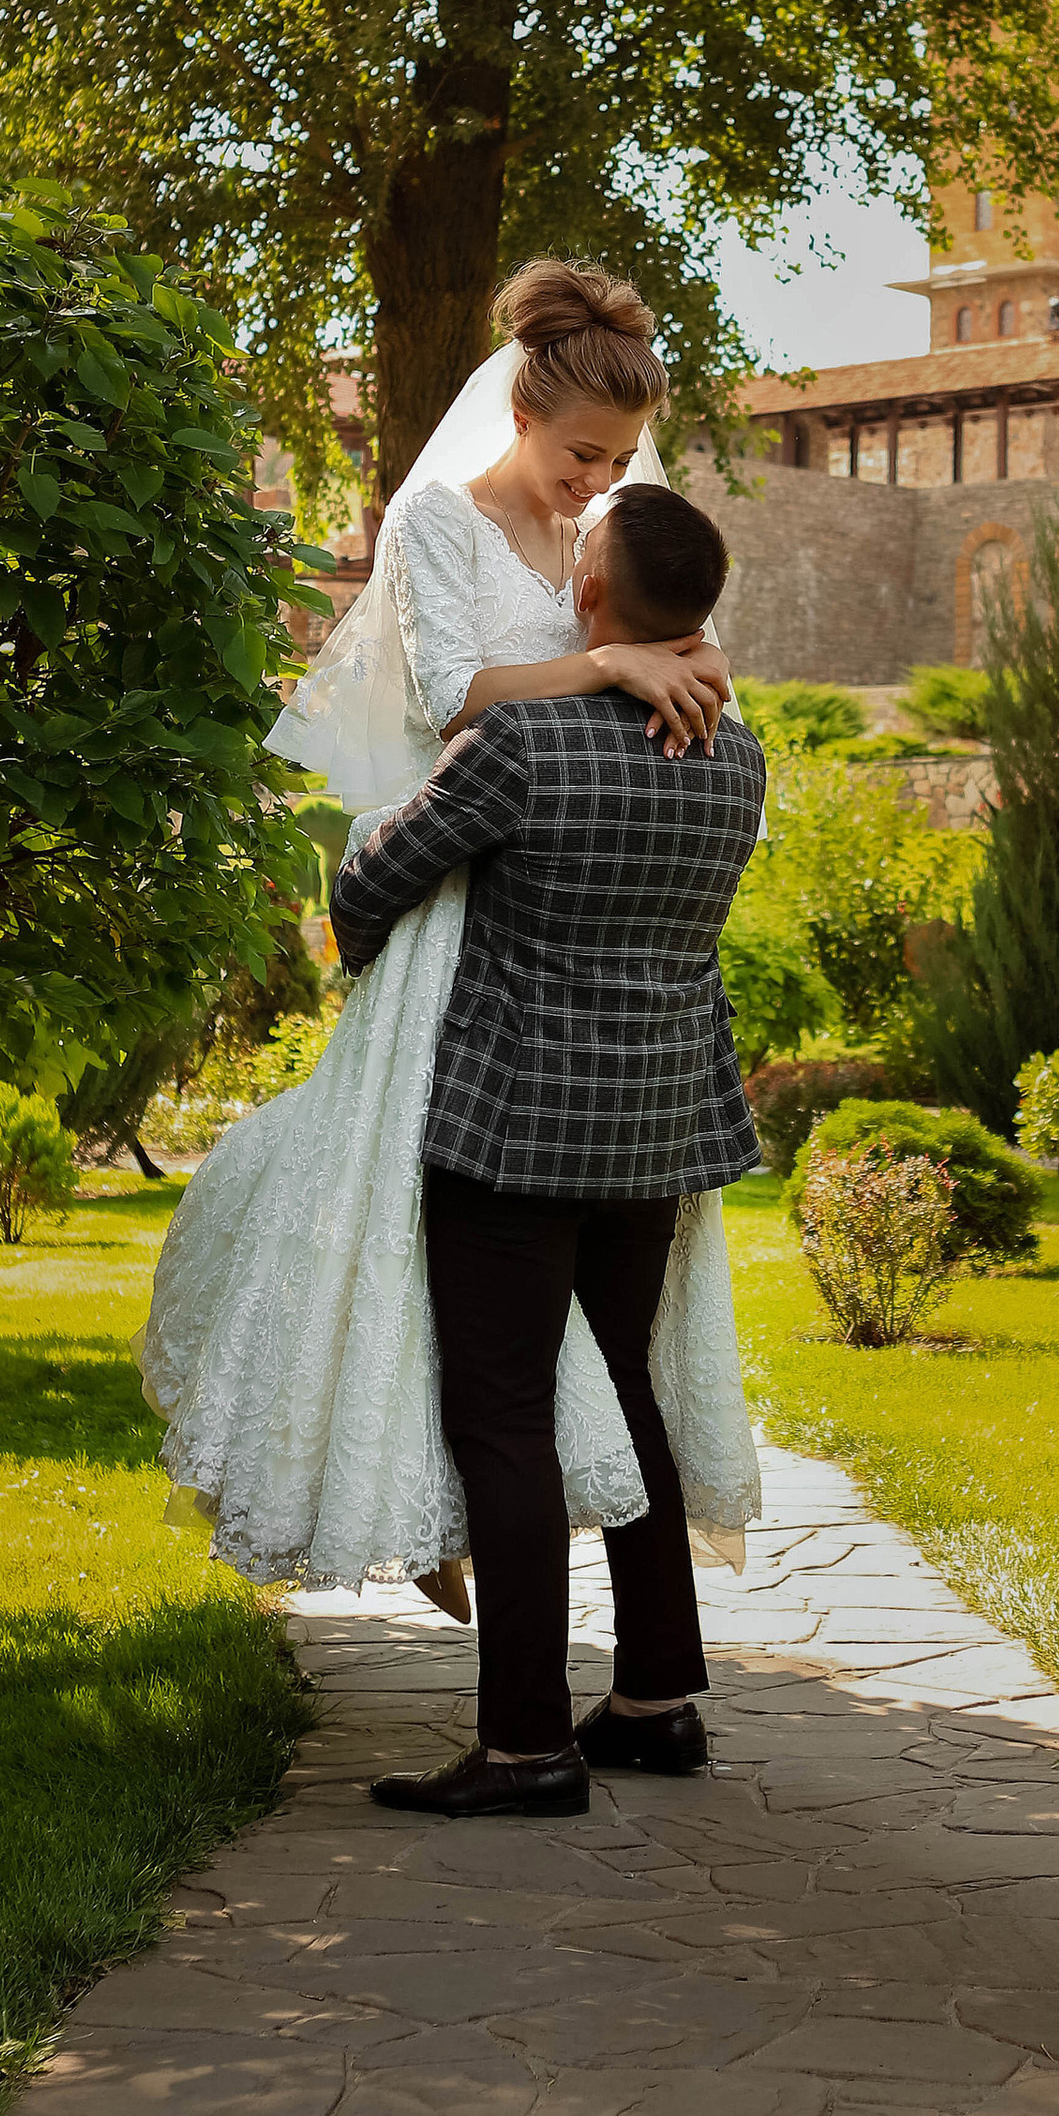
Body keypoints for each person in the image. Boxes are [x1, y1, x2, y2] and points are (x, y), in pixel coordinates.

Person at [140, 260, 763, 1608]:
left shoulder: (607, 539)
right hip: (460, 903)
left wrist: (682, 667)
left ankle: (489, 1526)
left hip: (567, 920)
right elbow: (447, 693)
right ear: (521, 417)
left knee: (552, 1311)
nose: (595, 485)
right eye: (577, 456)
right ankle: (438, 1506)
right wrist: (608, 664)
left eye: (619, 462)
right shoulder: (437, 516)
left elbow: (665, 647)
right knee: (399, 1234)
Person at [330, 482, 767, 1815]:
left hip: (513, 1125)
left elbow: (370, 887)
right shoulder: (738, 755)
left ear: (588, 600)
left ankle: (525, 1743)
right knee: (625, 1387)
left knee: (506, 1416)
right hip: (660, 1124)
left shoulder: (521, 744)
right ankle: (656, 1701)